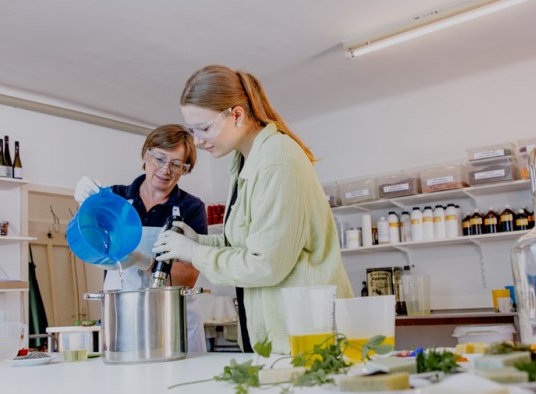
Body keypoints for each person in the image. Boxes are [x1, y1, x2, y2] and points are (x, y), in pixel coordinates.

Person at [152, 65, 353, 354]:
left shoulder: (277, 160)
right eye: (191, 130)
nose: (197, 141)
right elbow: (249, 240)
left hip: (306, 334)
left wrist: (194, 253)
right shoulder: (245, 160)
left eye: (205, 128)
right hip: (279, 335)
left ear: (236, 114)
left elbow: (266, 264)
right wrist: (198, 240)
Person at [74, 124, 208, 352]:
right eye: (159, 158)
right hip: (123, 319)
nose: (166, 169)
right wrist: (84, 207)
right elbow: (87, 243)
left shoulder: (191, 208)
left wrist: (144, 261)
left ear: (184, 169)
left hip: (173, 323)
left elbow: (188, 278)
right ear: (146, 154)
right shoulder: (115, 198)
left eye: (176, 164)